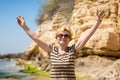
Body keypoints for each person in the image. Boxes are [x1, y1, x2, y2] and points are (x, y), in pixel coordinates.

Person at [16, 9, 105, 80]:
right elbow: (36, 38)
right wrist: (24, 26)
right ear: (57, 37)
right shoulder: (52, 50)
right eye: (60, 35)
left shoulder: (73, 51)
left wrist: (97, 22)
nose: (63, 37)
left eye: (66, 35)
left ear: (69, 39)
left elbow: (86, 36)